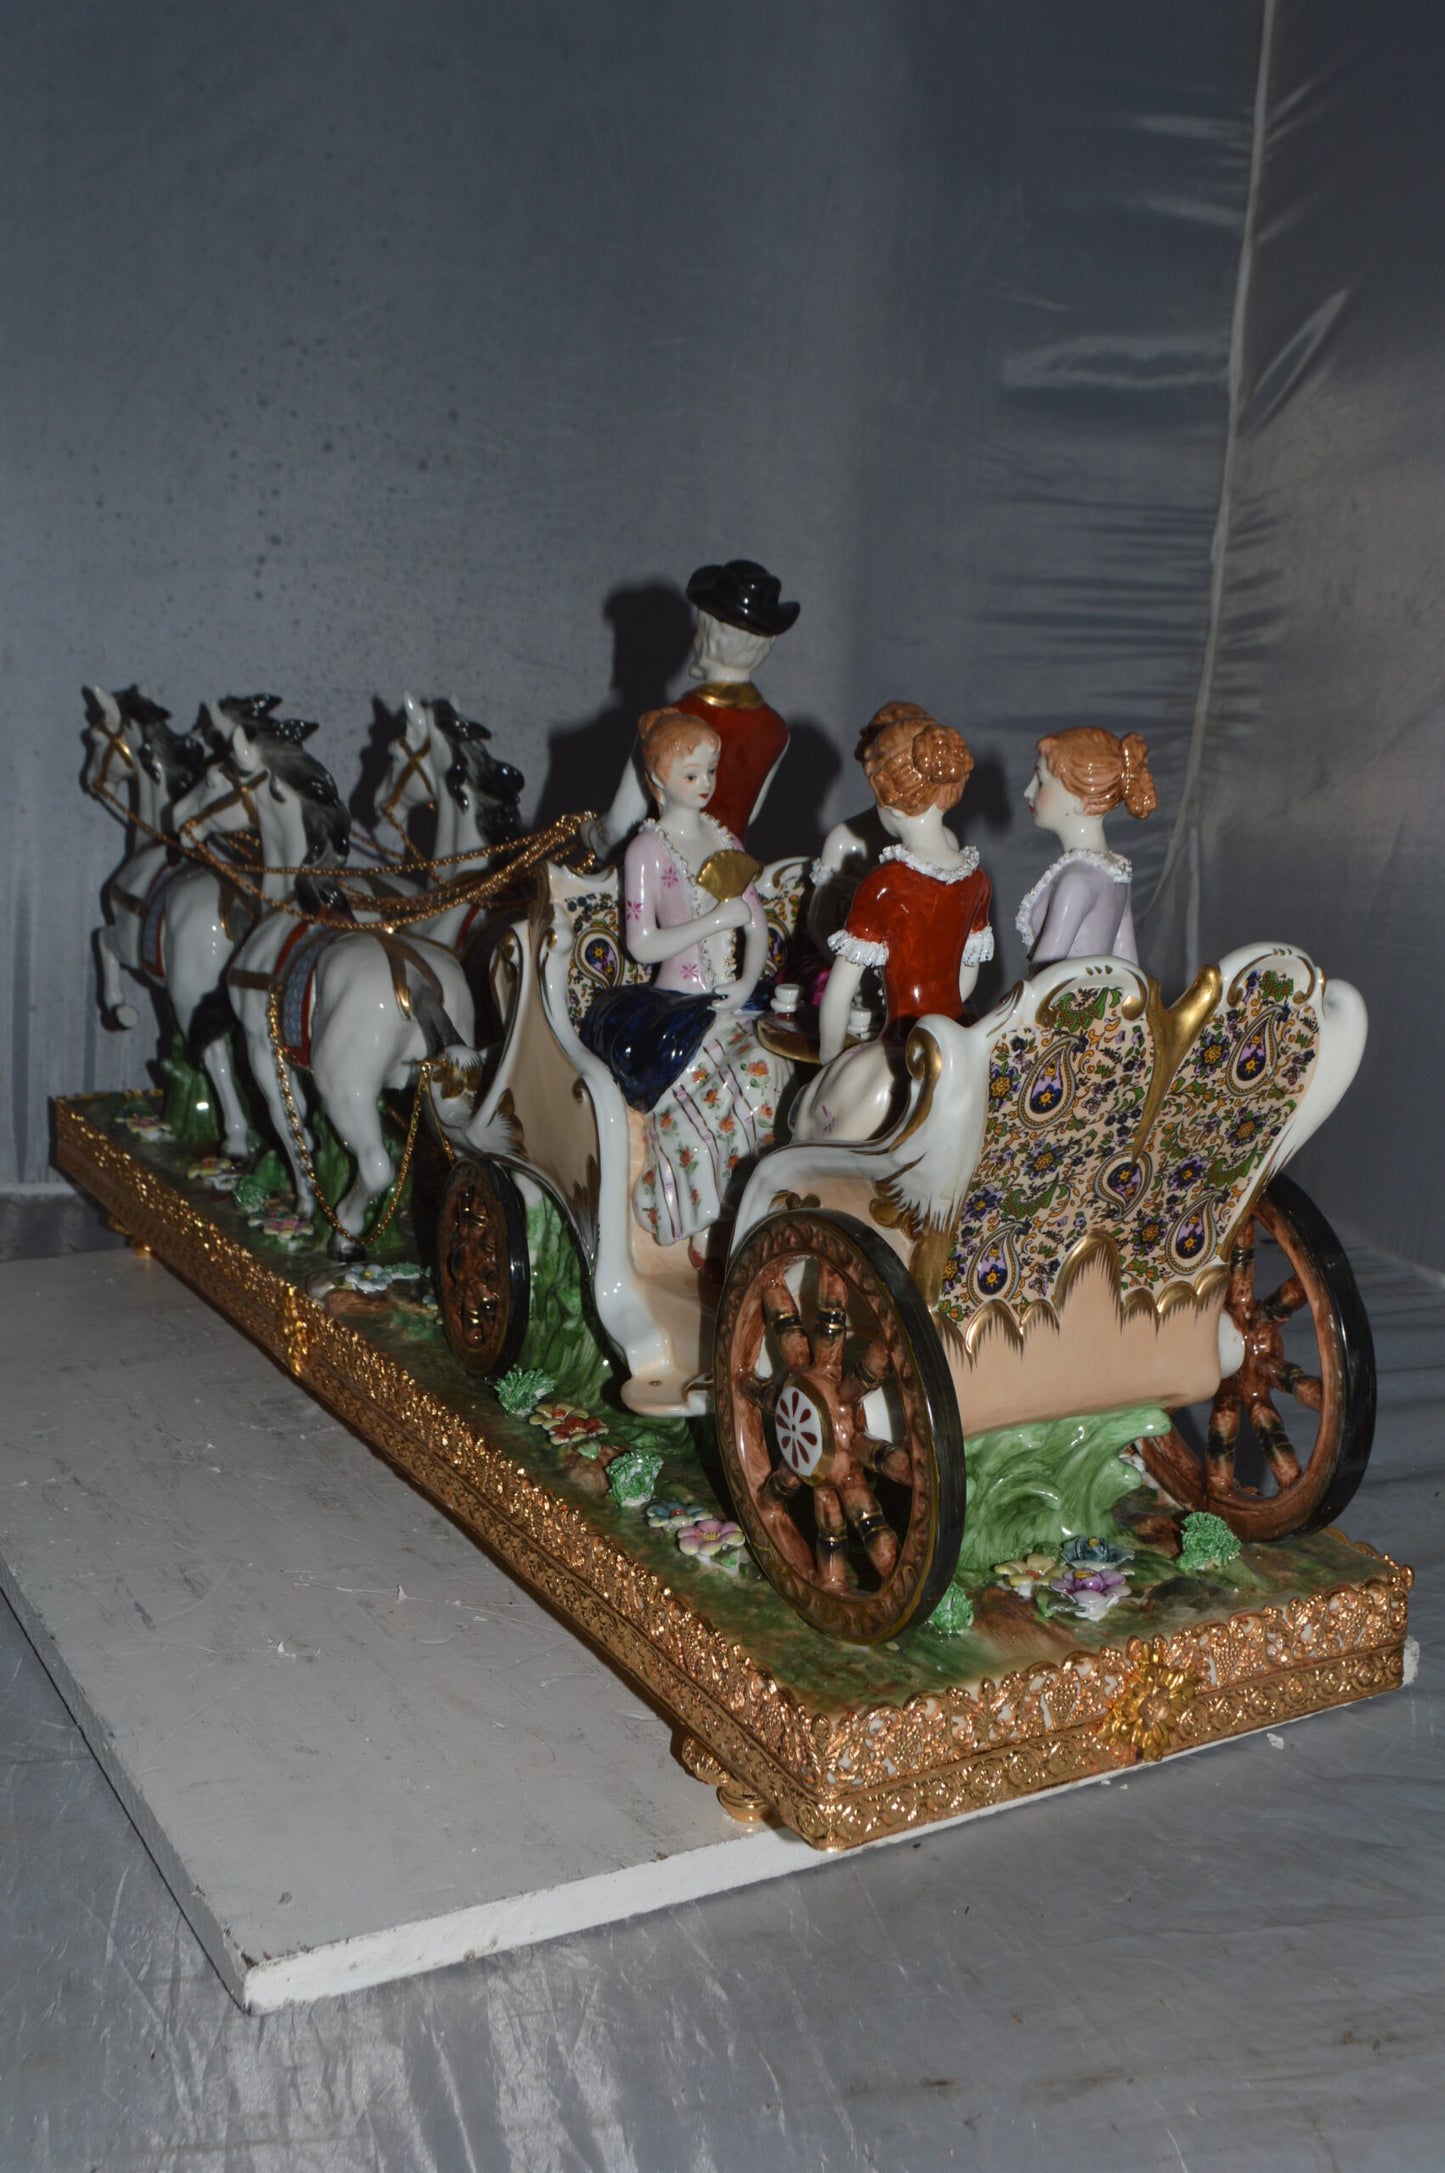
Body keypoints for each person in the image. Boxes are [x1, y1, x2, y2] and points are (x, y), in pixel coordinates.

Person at [580, 708, 789, 1249]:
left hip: (730, 999)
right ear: (657, 781)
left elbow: (757, 925)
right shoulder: (648, 851)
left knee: (772, 1066)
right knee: (723, 1079)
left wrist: (745, 983)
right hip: (674, 1007)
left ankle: (749, 1205)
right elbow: (641, 943)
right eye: (690, 775)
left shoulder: (725, 841)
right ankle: (693, 1209)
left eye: (710, 772)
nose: (705, 786)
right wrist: (713, 921)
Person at [790, 703, 992, 1144]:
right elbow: (966, 980)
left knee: (811, 1128)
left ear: (887, 800)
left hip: (900, 1044)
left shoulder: (886, 884)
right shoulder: (976, 880)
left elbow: (838, 993)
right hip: (955, 1042)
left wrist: (829, 1061)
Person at [588, 559, 799, 855]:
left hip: (662, 874)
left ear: (708, 639)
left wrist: (588, 835)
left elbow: (619, 828)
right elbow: (747, 815)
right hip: (725, 875)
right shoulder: (776, 731)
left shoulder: (668, 724)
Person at [1016, 727, 1158, 967]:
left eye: (1040, 781)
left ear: (1080, 800)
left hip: (1063, 1003)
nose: (1028, 791)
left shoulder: (1077, 881)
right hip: (1099, 1001)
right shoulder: (1114, 872)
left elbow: (1045, 974)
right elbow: (1128, 963)